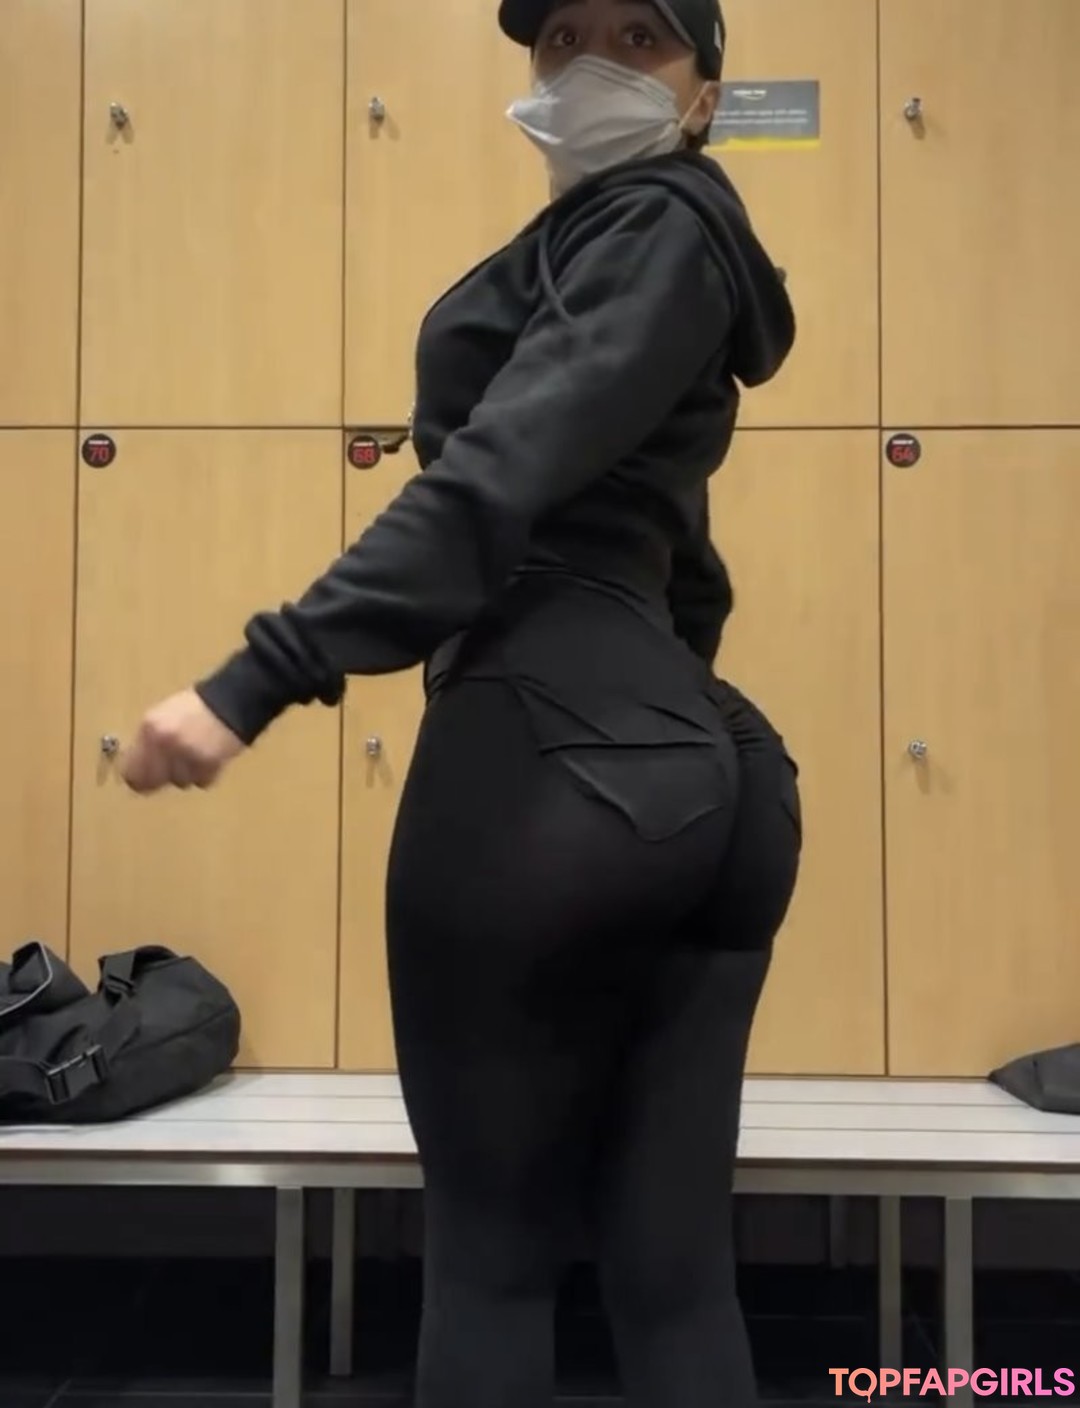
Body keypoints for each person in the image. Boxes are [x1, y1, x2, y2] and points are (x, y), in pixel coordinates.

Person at [121, 0, 802, 1402]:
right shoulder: (638, 245)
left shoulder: (655, 225)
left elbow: (501, 472)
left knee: (492, 1262)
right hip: (704, 769)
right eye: (561, 38)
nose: (588, 64)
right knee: (672, 1274)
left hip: (551, 753)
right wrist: (673, 726)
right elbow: (677, 550)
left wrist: (257, 678)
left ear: (706, 91)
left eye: (639, 37)